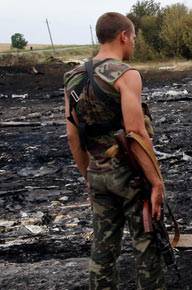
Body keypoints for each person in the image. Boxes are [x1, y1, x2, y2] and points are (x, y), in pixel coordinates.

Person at [64, 12, 166, 289]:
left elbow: (73, 135)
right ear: (123, 36)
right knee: (148, 244)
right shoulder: (126, 74)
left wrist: (88, 174)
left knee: (103, 249)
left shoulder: (73, 77)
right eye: (132, 37)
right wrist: (156, 181)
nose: (133, 43)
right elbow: (136, 133)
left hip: (97, 171)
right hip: (130, 174)